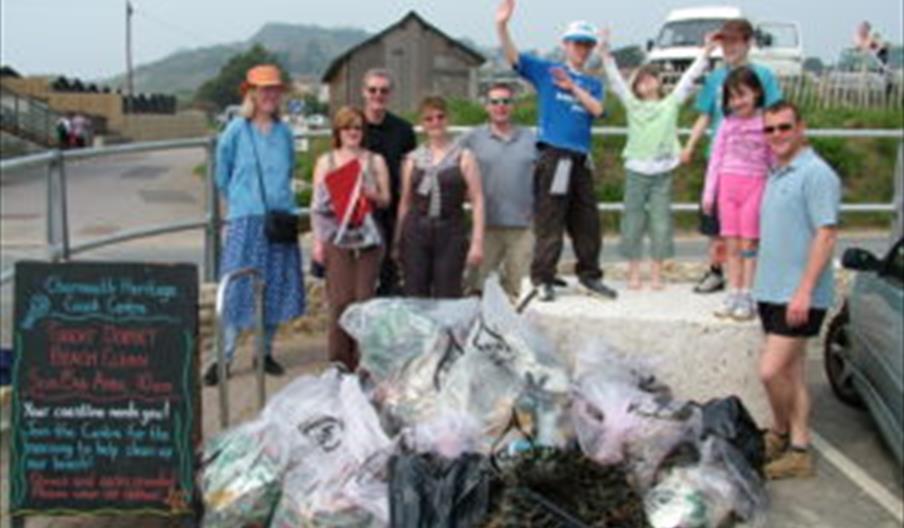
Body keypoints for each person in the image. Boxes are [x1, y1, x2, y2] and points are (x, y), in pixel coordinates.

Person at [496, 0, 616, 302]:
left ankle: (590, 275)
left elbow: (598, 110)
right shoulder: (547, 71)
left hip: (581, 157)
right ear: (565, 44)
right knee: (551, 218)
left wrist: (572, 88)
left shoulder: (591, 83)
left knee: (587, 220)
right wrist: (502, 26)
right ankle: (543, 277)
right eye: (577, 43)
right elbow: (514, 59)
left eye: (587, 45)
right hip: (555, 155)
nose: (582, 49)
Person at [754, 101, 840, 479]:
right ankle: (799, 449)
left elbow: (827, 233)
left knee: (771, 371)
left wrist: (804, 290)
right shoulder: (777, 174)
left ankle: (780, 430)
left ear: (800, 128)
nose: (776, 136)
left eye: (784, 128)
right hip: (771, 290)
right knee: (794, 374)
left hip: (798, 295)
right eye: (769, 129)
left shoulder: (817, 174)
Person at [204, 64, 306, 386]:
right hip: (246, 218)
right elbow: (222, 172)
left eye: (275, 90)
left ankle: (263, 352)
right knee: (236, 289)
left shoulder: (284, 132)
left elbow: (288, 169)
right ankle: (225, 356)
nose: (270, 96)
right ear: (252, 93)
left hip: (279, 217)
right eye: (264, 90)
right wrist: (240, 201)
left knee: (274, 286)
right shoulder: (237, 129)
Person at [600, 29, 717, 290]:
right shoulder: (633, 104)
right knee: (632, 220)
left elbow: (689, 78)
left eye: (650, 78)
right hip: (636, 170)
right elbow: (617, 82)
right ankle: (633, 273)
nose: (646, 83)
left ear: (658, 81)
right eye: (641, 80)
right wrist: (606, 54)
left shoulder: (670, 104)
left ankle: (656, 275)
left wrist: (706, 52)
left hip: (663, 171)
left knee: (661, 222)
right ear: (637, 87)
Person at [682, 19, 783, 295]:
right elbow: (705, 114)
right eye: (725, 42)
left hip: (754, 163)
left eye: (735, 41)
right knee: (716, 223)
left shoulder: (763, 75)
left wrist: (780, 155)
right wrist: (690, 145)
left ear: (748, 43)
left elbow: (776, 115)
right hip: (721, 158)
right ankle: (716, 272)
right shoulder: (716, 77)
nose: (729, 48)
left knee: (750, 227)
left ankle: (750, 282)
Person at [311, 106, 391, 371]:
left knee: (364, 299)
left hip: (368, 238)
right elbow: (316, 206)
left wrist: (371, 194)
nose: (353, 133)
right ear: (338, 131)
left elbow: (386, 199)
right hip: (337, 236)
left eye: (357, 127)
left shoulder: (375, 160)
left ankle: (364, 362)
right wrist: (318, 243)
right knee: (340, 300)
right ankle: (339, 361)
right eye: (347, 127)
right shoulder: (326, 161)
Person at [702, 67, 774, 321]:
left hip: (755, 184)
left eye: (742, 95)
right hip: (727, 186)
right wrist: (709, 193)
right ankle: (733, 291)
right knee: (730, 242)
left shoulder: (766, 122)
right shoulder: (727, 125)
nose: (737, 102)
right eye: (732, 98)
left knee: (749, 243)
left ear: (756, 92)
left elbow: (773, 159)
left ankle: (748, 293)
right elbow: (716, 159)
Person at [395, 96, 485, 298]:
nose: (435, 122)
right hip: (416, 230)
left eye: (439, 117)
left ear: (448, 119)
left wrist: (477, 242)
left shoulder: (464, 157)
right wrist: (398, 239)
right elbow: (405, 202)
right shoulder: (412, 159)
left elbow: (478, 200)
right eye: (429, 119)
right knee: (415, 292)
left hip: (451, 230)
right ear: (422, 123)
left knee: (448, 291)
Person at [460, 82, 537, 299]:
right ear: (487, 106)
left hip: (523, 227)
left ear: (513, 106)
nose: (500, 106)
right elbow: (450, 163)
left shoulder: (531, 138)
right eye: (495, 102)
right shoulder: (472, 138)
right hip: (485, 226)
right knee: (476, 288)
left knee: (520, 292)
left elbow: (545, 177)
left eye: (505, 101)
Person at [360, 68, 417, 296]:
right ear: (364, 92)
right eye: (372, 90)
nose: (378, 95)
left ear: (390, 94)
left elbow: (410, 174)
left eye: (383, 90)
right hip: (358, 213)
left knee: (389, 276)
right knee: (361, 279)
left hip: (392, 212)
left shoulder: (403, 130)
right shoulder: (352, 126)